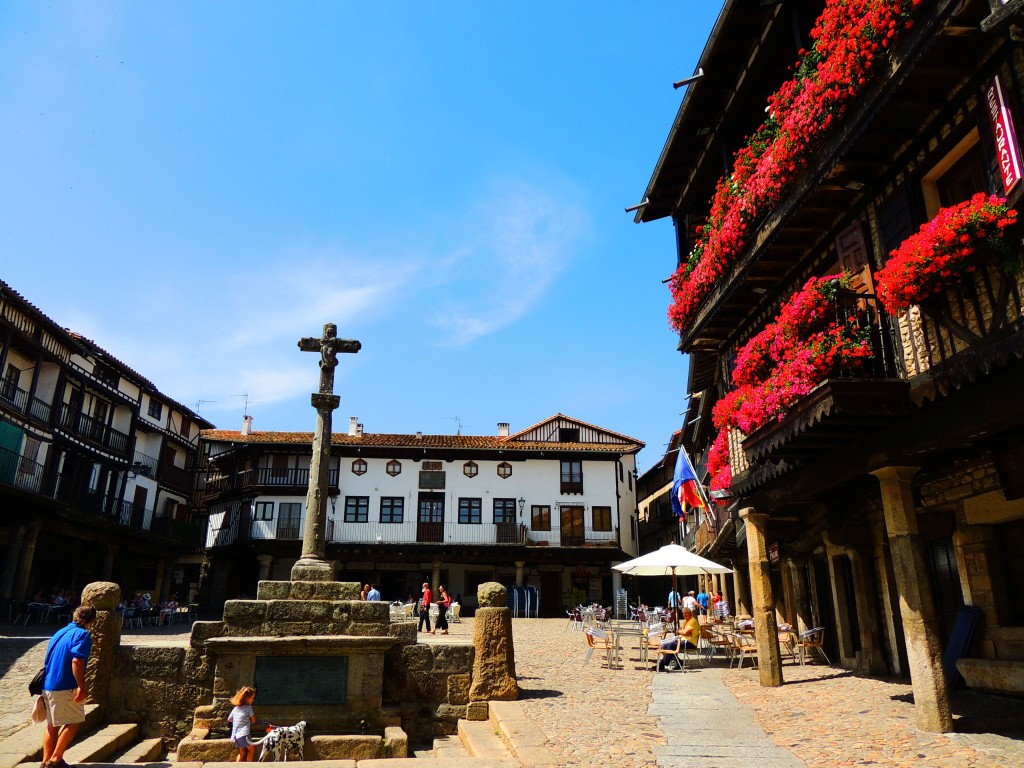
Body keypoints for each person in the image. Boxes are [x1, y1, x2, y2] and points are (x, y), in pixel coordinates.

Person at [40, 603, 97, 768]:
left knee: (52, 724)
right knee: (73, 721)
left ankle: (46, 761)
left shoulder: (61, 632)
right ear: (91, 620)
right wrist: (81, 686)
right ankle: (55, 760)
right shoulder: (82, 634)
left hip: (48, 684)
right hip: (65, 684)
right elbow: (77, 661)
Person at [227, 686, 257, 762]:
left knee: (242, 751)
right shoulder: (248, 708)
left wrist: (237, 720)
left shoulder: (236, 708)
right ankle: (248, 765)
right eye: (252, 698)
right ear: (247, 699)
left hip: (235, 735)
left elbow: (229, 719)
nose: (253, 700)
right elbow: (253, 720)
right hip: (244, 734)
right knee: (251, 749)